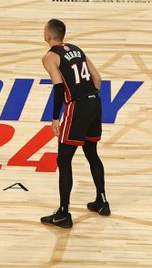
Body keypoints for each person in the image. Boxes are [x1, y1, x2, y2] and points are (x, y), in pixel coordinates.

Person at [40, 18, 109, 228]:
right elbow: (98, 79)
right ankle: (102, 201)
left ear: (49, 35)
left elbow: (59, 88)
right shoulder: (77, 49)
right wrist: (90, 97)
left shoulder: (50, 57)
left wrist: (54, 118)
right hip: (95, 103)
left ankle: (63, 213)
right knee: (91, 153)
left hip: (77, 108)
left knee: (64, 159)